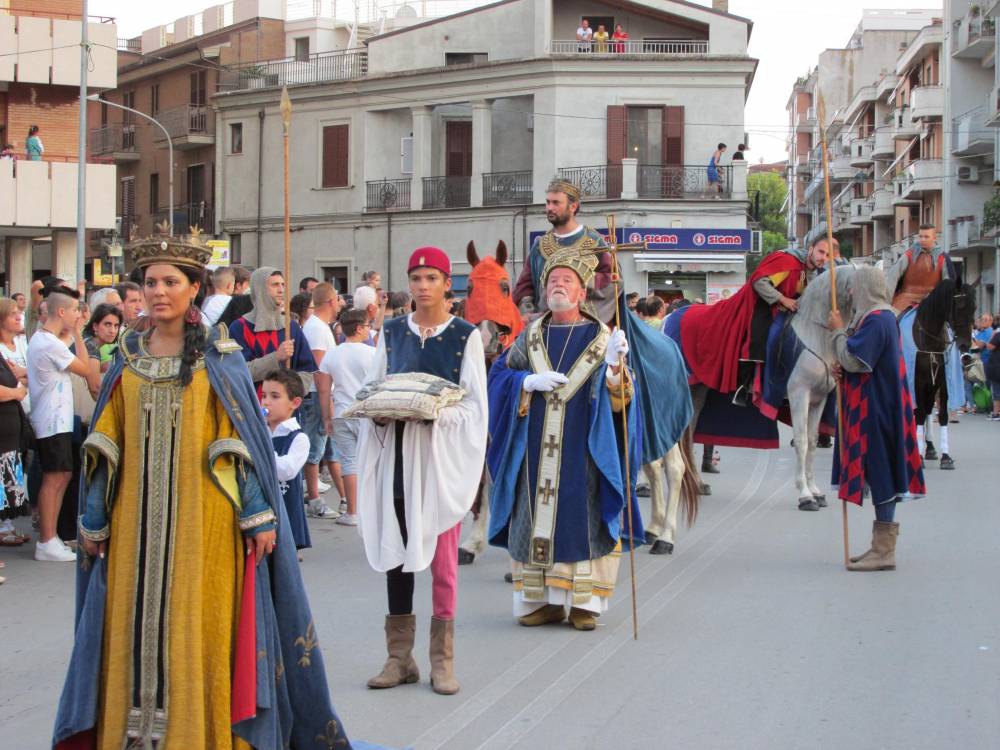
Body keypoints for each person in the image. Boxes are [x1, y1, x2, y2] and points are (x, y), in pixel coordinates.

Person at [54, 230, 355, 749]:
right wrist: (95, 517)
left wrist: (259, 515)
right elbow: (106, 441)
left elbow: (240, 440)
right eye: (150, 282)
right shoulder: (125, 355)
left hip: (205, 525)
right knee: (130, 628)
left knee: (197, 630)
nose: (158, 292)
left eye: (171, 281)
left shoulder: (221, 357)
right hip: (132, 529)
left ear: (194, 289)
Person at [357, 247, 487, 696]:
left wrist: (434, 415)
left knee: (444, 565)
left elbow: (474, 405)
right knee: (397, 558)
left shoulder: (465, 336)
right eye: (416, 277)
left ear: (447, 283)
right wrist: (376, 409)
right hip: (396, 454)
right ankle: (399, 658)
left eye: (432, 277)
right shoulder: (391, 332)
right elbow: (374, 384)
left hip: (438, 460)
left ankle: (442, 661)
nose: (423, 285)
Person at [487, 250, 640, 631]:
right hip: (534, 447)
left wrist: (615, 368)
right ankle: (541, 601)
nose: (558, 285)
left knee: (582, 517)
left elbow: (622, 401)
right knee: (534, 515)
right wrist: (524, 382)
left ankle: (585, 602)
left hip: (583, 447)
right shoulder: (530, 336)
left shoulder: (604, 338)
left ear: (582, 291)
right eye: (552, 280)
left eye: (567, 280)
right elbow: (498, 379)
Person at [828, 266, 925, 571]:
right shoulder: (877, 318)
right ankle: (879, 548)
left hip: (875, 409)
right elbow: (856, 362)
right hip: (877, 403)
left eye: (855, 287)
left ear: (867, 288)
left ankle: (884, 551)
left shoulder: (878, 319)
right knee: (879, 470)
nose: (851, 293)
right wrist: (843, 366)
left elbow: (856, 359)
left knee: (881, 471)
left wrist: (838, 331)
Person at [680, 238, 830, 407]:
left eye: (827, 255)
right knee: (758, 338)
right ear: (810, 249)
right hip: (760, 305)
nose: (824, 258)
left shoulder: (813, 273)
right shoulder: (789, 262)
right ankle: (744, 386)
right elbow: (759, 281)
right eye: (821, 252)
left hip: (785, 311)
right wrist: (782, 299)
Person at [27, 285, 95, 562]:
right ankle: (46, 539)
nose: (80, 315)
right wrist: (78, 331)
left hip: (58, 419)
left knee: (62, 475)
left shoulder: (47, 340)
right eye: (76, 310)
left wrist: (72, 330)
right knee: (54, 478)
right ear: (62, 311)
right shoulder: (47, 343)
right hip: (51, 420)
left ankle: (51, 537)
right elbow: (84, 367)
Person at [512, 180, 614, 320]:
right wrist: (528, 311)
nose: (549, 208)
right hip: (543, 324)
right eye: (548, 202)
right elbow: (524, 286)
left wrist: (580, 281)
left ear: (572, 206)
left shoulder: (594, 242)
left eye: (556, 203)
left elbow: (613, 280)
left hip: (583, 324)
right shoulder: (539, 246)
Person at [316, 308, 376, 527]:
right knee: (373, 462)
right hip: (367, 413)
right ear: (359, 328)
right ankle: (373, 509)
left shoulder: (333, 354)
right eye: (368, 326)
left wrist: (326, 417)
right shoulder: (372, 353)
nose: (369, 331)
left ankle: (352, 511)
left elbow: (323, 389)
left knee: (349, 463)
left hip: (342, 412)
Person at [301, 282, 347, 516]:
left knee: (331, 451)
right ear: (330, 301)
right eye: (337, 299)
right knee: (315, 449)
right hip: (318, 397)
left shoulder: (319, 326)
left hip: (323, 397)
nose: (340, 303)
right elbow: (319, 372)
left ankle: (346, 499)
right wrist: (326, 406)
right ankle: (315, 501)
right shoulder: (317, 329)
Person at [229, 266, 316, 388]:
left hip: (287, 406)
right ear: (260, 289)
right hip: (254, 404)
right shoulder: (239, 328)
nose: (281, 290)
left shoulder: (291, 327)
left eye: (283, 285)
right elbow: (238, 371)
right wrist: (275, 357)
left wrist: (288, 392)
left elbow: (306, 371)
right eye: (275, 285)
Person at [260, 368, 312, 551]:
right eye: (264, 395)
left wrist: (262, 447)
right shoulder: (262, 432)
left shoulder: (298, 438)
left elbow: (286, 471)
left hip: (286, 509)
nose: (266, 402)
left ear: (295, 402)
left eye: (275, 396)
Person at [0, 298, 30, 553]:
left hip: (11, 428)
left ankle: (5, 524)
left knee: (7, 481)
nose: (19, 316)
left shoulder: (19, 342)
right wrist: (17, 393)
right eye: (13, 313)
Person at [886, 224, 954, 311]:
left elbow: (948, 285)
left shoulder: (942, 258)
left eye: (926, 237)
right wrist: (886, 303)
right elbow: (893, 277)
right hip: (905, 301)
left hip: (933, 302)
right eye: (920, 236)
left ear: (934, 238)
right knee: (893, 321)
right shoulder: (909, 255)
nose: (922, 240)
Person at [83, 303, 123, 375]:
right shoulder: (91, 346)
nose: (112, 331)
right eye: (107, 325)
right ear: (95, 326)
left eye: (116, 326)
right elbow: (95, 386)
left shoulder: (90, 341)